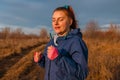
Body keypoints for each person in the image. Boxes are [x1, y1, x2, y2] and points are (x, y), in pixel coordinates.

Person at [34, 5, 88, 80]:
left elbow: (82, 74)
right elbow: (50, 66)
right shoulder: (51, 42)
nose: (56, 23)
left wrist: (58, 58)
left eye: (60, 19)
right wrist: (40, 60)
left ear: (70, 22)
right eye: (53, 20)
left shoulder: (76, 42)